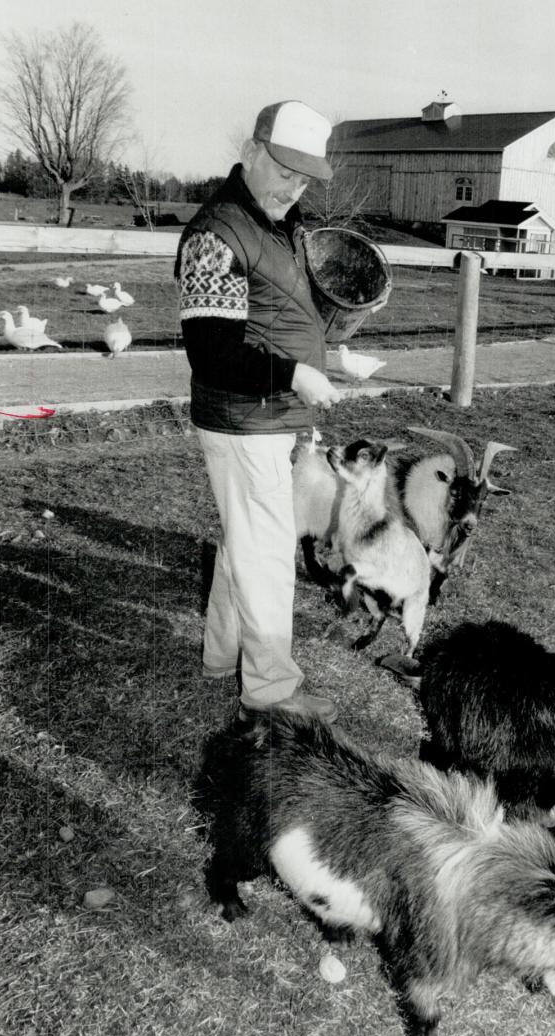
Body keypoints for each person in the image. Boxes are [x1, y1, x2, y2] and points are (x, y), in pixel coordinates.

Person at [175, 100, 341, 720]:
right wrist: (295, 373)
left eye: (303, 177)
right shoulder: (217, 234)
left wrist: (327, 357)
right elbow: (213, 354)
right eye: (283, 169)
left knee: (246, 542)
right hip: (243, 419)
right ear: (251, 151)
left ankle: (221, 655)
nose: (292, 187)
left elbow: (273, 316)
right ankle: (270, 692)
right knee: (267, 556)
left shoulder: (278, 223)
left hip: (269, 417)